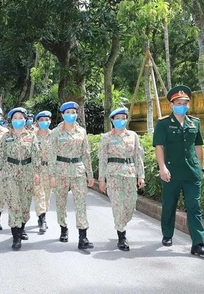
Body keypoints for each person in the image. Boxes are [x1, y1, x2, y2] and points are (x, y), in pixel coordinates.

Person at [153, 85, 204, 256]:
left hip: (191, 172)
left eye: (185, 102)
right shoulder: (163, 124)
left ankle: (198, 243)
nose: (182, 105)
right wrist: (162, 168)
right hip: (171, 173)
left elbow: (198, 146)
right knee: (169, 205)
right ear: (171, 105)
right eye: (179, 102)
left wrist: (201, 168)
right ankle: (167, 234)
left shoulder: (195, 123)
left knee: (194, 207)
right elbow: (159, 147)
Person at [98, 107, 145, 251]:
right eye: (117, 118)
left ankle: (122, 223)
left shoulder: (133, 136)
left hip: (130, 174)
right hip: (113, 175)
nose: (120, 121)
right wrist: (102, 179)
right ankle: (122, 237)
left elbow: (138, 156)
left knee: (130, 206)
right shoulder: (106, 137)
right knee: (118, 206)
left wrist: (141, 175)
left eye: (123, 118)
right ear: (112, 120)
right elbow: (102, 159)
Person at [49, 101, 94, 250]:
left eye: (73, 112)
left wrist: (90, 174)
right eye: (67, 113)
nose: (71, 115)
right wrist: (52, 176)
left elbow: (86, 153)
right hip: (60, 171)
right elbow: (51, 155)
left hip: (78, 170)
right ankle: (63, 228)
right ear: (62, 115)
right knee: (61, 203)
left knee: (81, 204)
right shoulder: (56, 132)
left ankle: (83, 237)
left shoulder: (81, 131)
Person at [0, 107, 40, 250]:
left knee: (25, 204)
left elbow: (36, 155)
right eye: (15, 118)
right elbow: (0, 157)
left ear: (25, 120)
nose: (18, 120)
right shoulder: (6, 137)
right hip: (10, 173)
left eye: (21, 118)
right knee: (14, 204)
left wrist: (37, 173)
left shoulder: (31, 136)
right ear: (11, 121)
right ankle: (16, 237)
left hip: (27, 172)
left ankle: (22, 228)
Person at [34, 110, 53, 234]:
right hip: (37, 169)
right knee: (39, 194)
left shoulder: (54, 135)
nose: (44, 122)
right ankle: (43, 219)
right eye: (41, 120)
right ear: (37, 122)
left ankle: (42, 216)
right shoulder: (33, 136)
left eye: (47, 120)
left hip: (50, 169)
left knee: (47, 195)